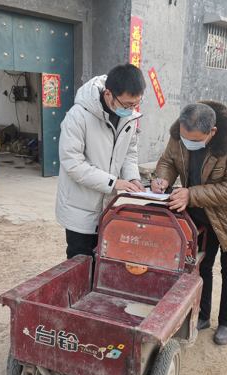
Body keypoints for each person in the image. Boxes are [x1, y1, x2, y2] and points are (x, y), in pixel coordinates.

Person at [152, 101, 227, 345]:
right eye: (184, 137)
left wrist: (191, 194)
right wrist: (162, 179)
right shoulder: (179, 134)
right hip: (199, 215)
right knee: (200, 266)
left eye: (194, 139)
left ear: (212, 132)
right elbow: (168, 161)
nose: (187, 143)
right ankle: (201, 315)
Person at [56, 64, 147, 260]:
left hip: (108, 205)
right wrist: (113, 183)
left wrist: (132, 177)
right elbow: (72, 163)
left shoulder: (129, 117)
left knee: (103, 262)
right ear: (108, 94)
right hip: (79, 206)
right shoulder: (78, 115)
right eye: (127, 104)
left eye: (136, 104)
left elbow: (129, 152)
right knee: (79, 263)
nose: (131, 109)